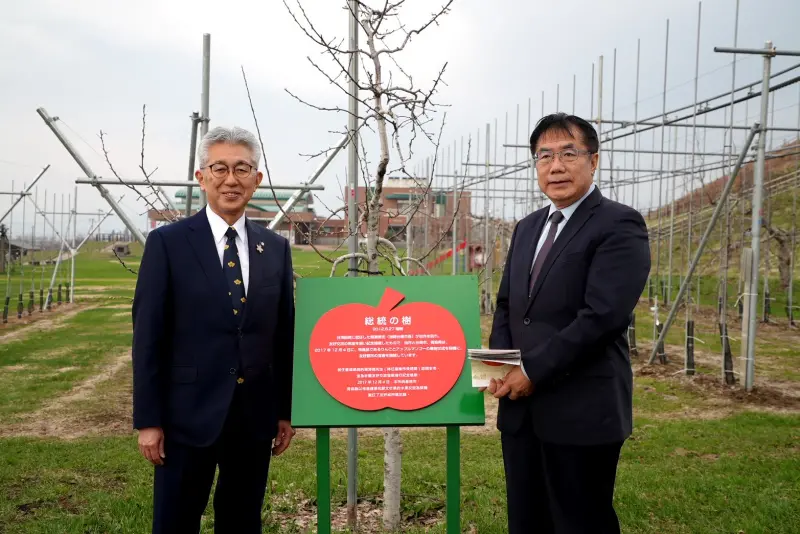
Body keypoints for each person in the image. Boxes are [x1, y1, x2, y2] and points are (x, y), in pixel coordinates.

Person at [487, 113, 651, 533]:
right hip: (521, 412)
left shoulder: (618, 224)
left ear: (593, 161)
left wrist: (532, 371)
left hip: (582, 408)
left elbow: (603, 317)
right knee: (527, 520)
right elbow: (508, 305)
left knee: (580, 520)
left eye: (568, 153)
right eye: (544, 156)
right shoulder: (527, 228)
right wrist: (501, 366)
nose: (555, 166)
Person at [132, 126, 296, 534]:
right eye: (219, 168)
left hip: (253, 418)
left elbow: (282, 335)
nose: (231, 179)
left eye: (242, 169)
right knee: (175, 522)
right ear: (201, 176)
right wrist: (149, 420)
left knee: (242, 521)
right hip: (184, 418)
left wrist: (284, 411)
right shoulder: (168, 244)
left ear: (257, 180)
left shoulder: (274, 248)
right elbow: (148, 337)